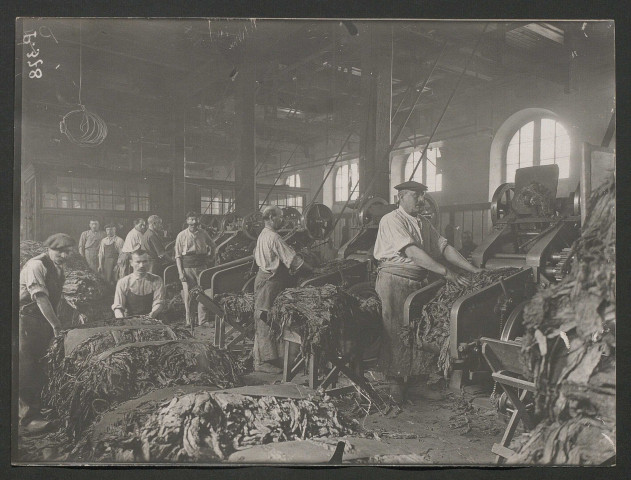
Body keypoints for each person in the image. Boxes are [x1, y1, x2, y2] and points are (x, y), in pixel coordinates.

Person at [373, 181, 483, 404]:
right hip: (395, 282)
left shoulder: (423, 223)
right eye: (416, 195)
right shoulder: (392, 220)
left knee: (421, 330)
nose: (421, 200)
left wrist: (473, 270)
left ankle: (418, 383)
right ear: (400, 198)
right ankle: (395, 383)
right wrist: (446, 272)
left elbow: (444, 247)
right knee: (395, 330)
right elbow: (412, 252)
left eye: (423, 195)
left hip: (417, 283)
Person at [18, 233, 75, 432]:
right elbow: (41, 298)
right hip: (27, 319)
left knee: (43, 363)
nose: (64, 255)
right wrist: (57, 326)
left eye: (67, 252)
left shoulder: (59, 268)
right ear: (49, 249)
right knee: (27, 367)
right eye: (59, 251)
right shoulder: (36, 265)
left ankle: (41, 409)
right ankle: (28, 419)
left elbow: (56, 298)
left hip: (43, 321)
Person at [253, 206, 313, 373]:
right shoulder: (274, 237)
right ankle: (263, 362)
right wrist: (312, 270)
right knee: (264, 319)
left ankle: (265, 358)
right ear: (271, 217)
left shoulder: (263, 234)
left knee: (265, 319)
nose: (283, 220)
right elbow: (293, 260)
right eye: (280, 217)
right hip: (270, 283)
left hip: (263, 279)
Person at [174, 211, 216, 326]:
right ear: (187, 221)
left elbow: (212, 245)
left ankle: (203, 321)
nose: (194, 222)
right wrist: (180, 273)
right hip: (187, 268)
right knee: (188, 295)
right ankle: (189, 321)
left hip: (202, 267)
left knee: (204, 293)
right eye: (191, 220)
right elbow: (178, 256)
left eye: (196, 219)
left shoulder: (203, 233)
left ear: (199, 221)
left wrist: (211, 258)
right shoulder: (181, 235)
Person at [112, 250, 166, 318]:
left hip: (153, 319)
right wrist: (121, 321)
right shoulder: (123, 282)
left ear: (149, 262)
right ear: (131, 263)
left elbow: (159, 302)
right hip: (129, 320)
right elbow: (118, 306)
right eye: (138, 262)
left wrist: (152, 315)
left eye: (144, 261)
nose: (141, 265)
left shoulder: (157, 280)